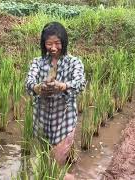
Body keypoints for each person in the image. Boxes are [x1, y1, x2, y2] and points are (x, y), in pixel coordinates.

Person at [25, 22, 86, 166]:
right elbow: (29, 82)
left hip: (64, 117)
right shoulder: (37, 62)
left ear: (63, 42)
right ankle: (70, 160)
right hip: (42, 117)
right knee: (45, 156)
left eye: (57, 43)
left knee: (55, 162)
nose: (53, 48)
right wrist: (38, 87)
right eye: (48, 44)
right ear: (43, 44)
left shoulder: (74, 62)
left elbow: (80, 83)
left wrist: (63, 86)